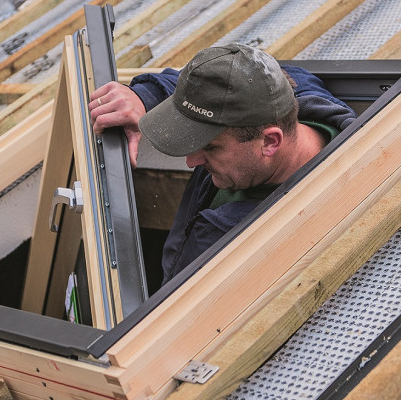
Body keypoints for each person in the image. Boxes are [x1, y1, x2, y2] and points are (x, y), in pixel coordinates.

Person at [89, 43, 356, 284]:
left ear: (270, 142)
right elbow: (250, 74)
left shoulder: (293, 234)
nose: (191, 161)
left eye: (209, 147)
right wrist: (145, 97)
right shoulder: (290, 97)